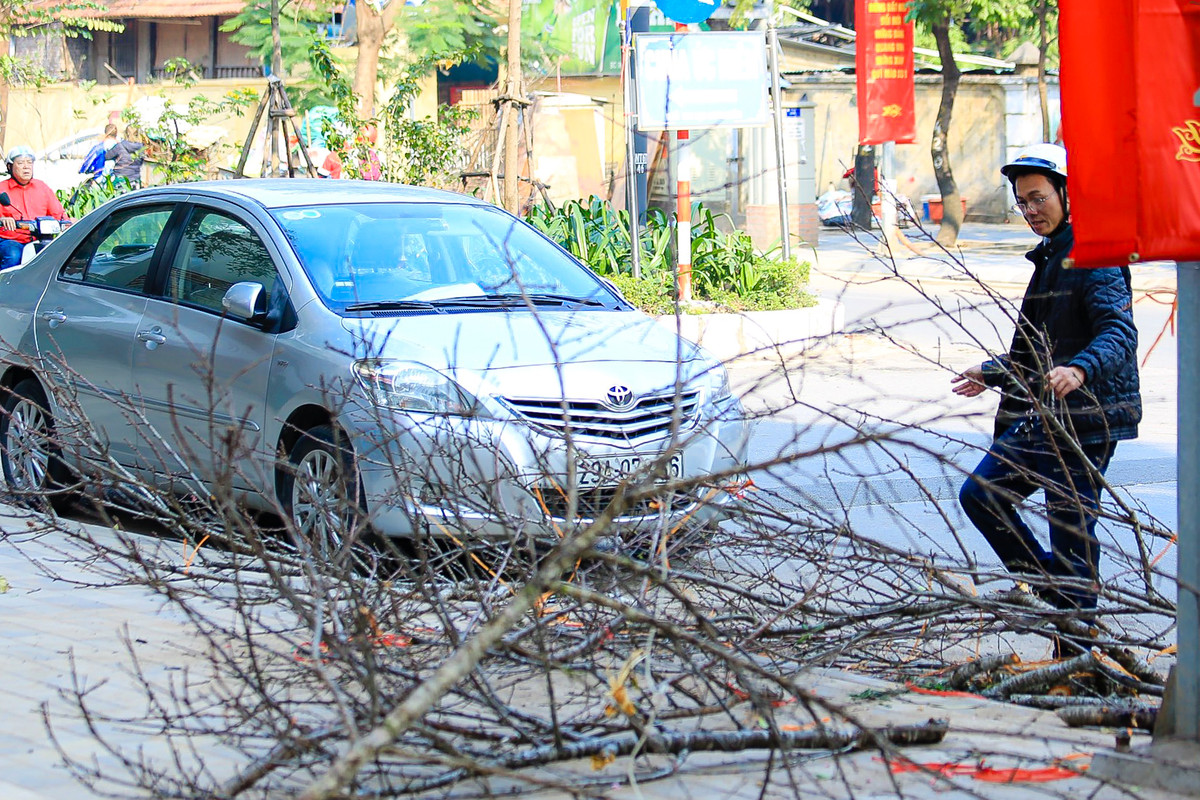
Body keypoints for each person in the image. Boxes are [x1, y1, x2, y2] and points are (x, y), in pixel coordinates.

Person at [952, 143, 1142, 614]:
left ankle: (1076, 659)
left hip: (1087, 418)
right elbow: (1042, 348)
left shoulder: (1093, 253)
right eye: (1022, 201)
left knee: (1071, 530)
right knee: (981, 495)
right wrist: (992, 372)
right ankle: (1051, 586)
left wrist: (1080, 369)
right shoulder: (1052, 254)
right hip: (1046, 415)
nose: (1030, 210)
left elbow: (1119, 332)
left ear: (1066, 192)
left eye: (1039, 197)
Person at [0, 146, 69, 270]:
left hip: (39, 239)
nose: (26, 167)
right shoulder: (2, 189)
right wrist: (3, 219)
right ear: (9, 167)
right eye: (20, 163)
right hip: (10, 240)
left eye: (29, 163)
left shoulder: (42, 187)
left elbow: (58, 213)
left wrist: (69, 221)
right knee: (13, 255)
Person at [106, 124, 145, 189]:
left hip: (121, 181)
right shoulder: (141, 147)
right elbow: (141, 162)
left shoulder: (119, 146)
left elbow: (107, 156)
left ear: (126, 133)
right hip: (135, 180)